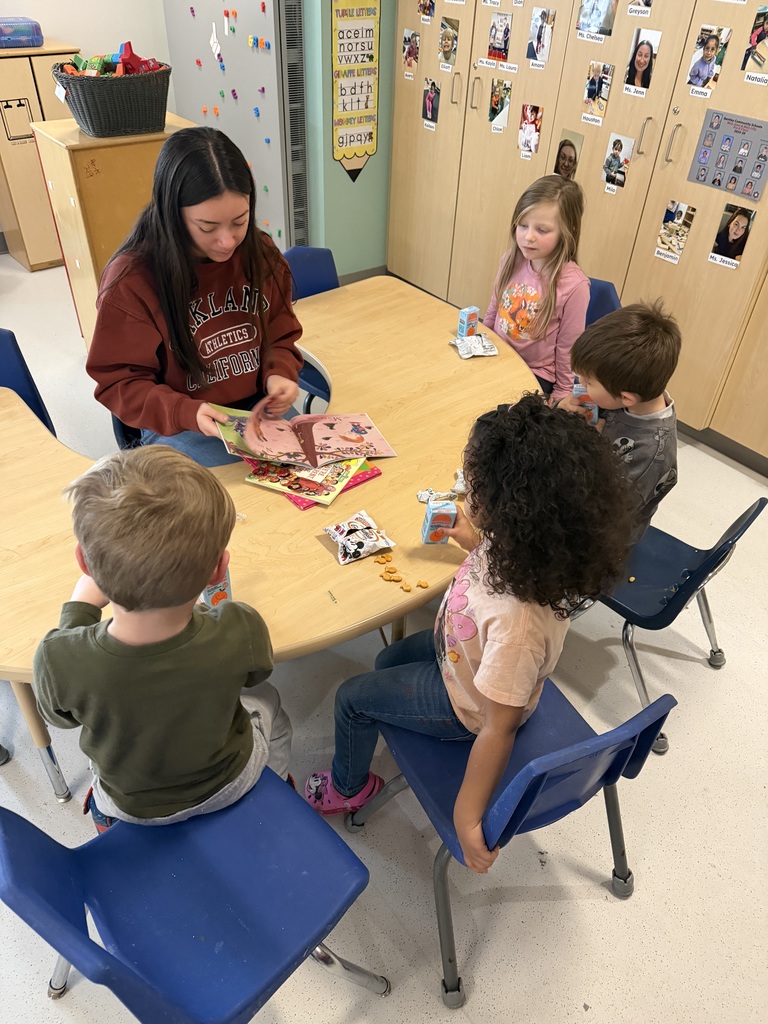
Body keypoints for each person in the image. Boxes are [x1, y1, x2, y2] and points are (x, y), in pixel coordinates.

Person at [304, 395, 637, 873]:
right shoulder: (528, 549)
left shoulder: (518, 627)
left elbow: (498, 728)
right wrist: (471, 539)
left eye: (474, 489)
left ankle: (349, 789)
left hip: (469, 707)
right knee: (385, 662)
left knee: (352, 698)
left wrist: (467, 814)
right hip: (460, 653)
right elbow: (494, 572)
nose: (465, 495)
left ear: (510, 510)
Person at [32, 446, 293, 832]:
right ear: (219, 568)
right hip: (228, 785)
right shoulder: (241, 627)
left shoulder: (57, 658)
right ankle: (279, 792)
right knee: (271, 704)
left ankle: (103, 817)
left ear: (84, 563)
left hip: (131, 805)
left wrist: (79, 609)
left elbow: (59, 718)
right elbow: (256, 675)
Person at [86, 127, 303, 469]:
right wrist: (183, 411)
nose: (227, 241)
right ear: (172, 215)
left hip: (258, 405)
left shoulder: (259, 253)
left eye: (240, 221)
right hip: (182, 422)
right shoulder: (132, 281)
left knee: (312, 481)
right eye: (207, 227)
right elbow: (119, 382)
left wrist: (281, 372)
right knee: (222, 510)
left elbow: (280, 330)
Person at [559, 302, 681, 531]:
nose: (580, 385)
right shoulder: (618, 393)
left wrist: (588, 450)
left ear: (626, 398)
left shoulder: (652, 455)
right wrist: (562, 408)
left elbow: (602, 515)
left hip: (600, 536)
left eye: (588, 382)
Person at [483, 176, 589, 403]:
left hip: (535, 374)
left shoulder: (575, 286)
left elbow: (567, 348)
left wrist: (561, 393)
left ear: (567, 230)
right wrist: (479, 341)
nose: (528, 237)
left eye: (542, 230)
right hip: (497, 356)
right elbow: (494, 310)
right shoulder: (511, 259)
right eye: (523, 226)